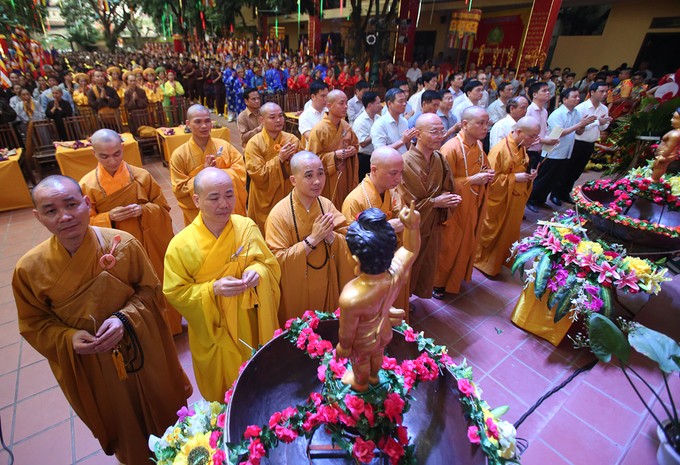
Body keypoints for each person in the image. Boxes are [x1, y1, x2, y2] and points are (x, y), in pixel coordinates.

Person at [13, 176, 191, 465]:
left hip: (144, 348)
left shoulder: (123, 244)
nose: (65, 216)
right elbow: (34, 323)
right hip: (95, 364)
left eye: (71, 204)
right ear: (38, 217)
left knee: (167, 413)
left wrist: (124, 319)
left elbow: (151, 291)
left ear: (86, 204)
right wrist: (68, 337)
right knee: (123, 423)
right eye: (51, 210)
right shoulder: (29, 269)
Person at [164, 168, 280, 401]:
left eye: (229, 195)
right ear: (196, 200)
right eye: (214, 198)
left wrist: (256, 272)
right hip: (213, 330)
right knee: (223, 394)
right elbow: (175, 292)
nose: (224, 204)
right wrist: (212, 289)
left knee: (256, 382)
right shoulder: (180, 245)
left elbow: (268, 264)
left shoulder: (246, 227)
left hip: (250, 321)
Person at [79, 128, 182, 335]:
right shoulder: (87, 185)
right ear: (94, 154)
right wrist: (108, 217)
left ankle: (169, 327)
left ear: (122, 148)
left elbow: (163, 208)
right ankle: (136, 332)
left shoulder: (141, 176)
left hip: (147, 241)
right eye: (104, 156)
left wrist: (143, 209)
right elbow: (84, 224)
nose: (112, 161)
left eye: (117, 154)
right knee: (125, 290)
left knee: (156, 281)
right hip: (115, 251)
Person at [336, 204, 420, 392]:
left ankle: (361, 382)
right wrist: (412, 227)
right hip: (384, 331)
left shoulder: (352, 296)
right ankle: (375, 376)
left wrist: (343, 347)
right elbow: (410, 249)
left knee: (361, 360)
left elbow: (347, 332)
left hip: (362, 340)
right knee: (378, 353)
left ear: (356, 261)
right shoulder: (394, 274)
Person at [265, 151, 353, 326]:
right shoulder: (279, 214)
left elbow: (347, 240)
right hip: (295, 289)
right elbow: (276, 260)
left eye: (320, 173)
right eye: (309, 175)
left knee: (325, 333)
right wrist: (313, 239)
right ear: (293, 180)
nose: (317, 181)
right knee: (299, 337)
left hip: (326, 282)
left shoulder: (326, 204)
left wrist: (330, 237)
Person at [342, 146, 410, 314]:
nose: (398, 179)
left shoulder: (392, 192)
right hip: (368, 272)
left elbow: (402, 214)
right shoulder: (355, 201)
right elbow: (351, 242)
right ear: (374, 170)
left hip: (390, 261)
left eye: (401, 173)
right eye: (393, 173)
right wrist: (386, 227)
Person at [397, 113, 458, 300]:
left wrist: (445, 200)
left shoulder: (440, 159)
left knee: (427, 264)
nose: (440, 136)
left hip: (433, 224)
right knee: (409, 267)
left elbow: (448, 188)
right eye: (434, 132)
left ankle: (411, 298)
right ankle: (400, 304)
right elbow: (406, 202)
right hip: (414, 228)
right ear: (417, 134)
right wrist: (434, 202)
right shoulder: (405, 162)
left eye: (441, 131)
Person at [433, 106, 493, 298]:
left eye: (487, 123)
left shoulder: (478, 146)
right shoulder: (451, 148)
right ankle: (438, 283)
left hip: (472, 203)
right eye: (480, 123)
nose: (485, 128)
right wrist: (471, 181)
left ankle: (456, 277)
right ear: (465, 124)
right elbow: (440, 184)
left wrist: (487, 174)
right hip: (454, 208)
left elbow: (483, 167)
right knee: (447, 246)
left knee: (466, 242)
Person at [474, 117, 540, 276]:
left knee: (509, 233)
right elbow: (489, 179)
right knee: (493, 232)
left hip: (515, 199)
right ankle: (484, 264)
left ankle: (502, 260)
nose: (534, 140)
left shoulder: (521, 146)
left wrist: (530, 175)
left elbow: (520, 167)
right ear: (518, 132)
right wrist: (514, 178)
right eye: (531, 136)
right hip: (500, 201)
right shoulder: (500, 149)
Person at [170, 104, 247, 225]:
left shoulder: (224, 145)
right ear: (188, 124)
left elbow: (240, 172)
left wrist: (218, 174)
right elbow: (179, 190)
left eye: (207, 121)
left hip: (228, 208)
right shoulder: (179, 155)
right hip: (199, 215)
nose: (204, 126)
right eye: (198, 122)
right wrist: (204, 176)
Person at [527, 88, 596, 212]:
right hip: (553, 151)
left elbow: (579, 131)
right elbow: (559, 132)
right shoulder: (558, 113)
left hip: (566, 151)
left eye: (578, 97)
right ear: (564, 99)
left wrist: (583, 125)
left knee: (554, 179)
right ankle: (531, 200)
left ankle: (541, 200)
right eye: (574, 97)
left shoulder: (576, 113)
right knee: (543, 178)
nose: (577, 99)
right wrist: (578, 125)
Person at [245, 102, 300, 232]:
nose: (278, 120)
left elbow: (300, 169)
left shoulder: (292, 139)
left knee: (288, 229)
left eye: (281, 116)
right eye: (272, 117)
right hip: (263, 196)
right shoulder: (254, 144)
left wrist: (292, 159)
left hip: (287, 194)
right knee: (264, 232)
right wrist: (279, 159)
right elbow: (257, 174)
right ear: (261, 120)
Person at [306, 89, 360, 210]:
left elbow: (356, 145)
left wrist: (352, 150)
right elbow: (311, 159)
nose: (345, 106)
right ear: (329, 106)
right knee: (327, 209)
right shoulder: (319, 130)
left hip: (345, 174)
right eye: (341, 103)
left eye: (346, 103)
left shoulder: (345, 125)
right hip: (327, 179)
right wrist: (334, 155)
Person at [560, 82, 612, 202]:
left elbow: (603, 128)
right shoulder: (581, 108)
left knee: (577, 171)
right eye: (601, 91)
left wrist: (604, 123)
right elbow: (578, 128)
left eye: (606, 91)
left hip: (590, 143)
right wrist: (598, 122)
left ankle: (566, 192)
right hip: (577, 142)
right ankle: (557, 193)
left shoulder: (603, 108)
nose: (604, 94)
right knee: (567, 169)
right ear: (592, 92)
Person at [371, 88, 417, 155]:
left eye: (405, 101)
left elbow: (407, 146)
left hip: (404, 161)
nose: (404, 104)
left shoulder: (404, 121)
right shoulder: (380, 124)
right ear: (389, 104)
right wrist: (402, 141)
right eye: (400, 101)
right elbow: (379, 152)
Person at [524, 81, 558, 170]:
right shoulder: (529, 110)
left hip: (539, 150)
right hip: (528, 150)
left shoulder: (544, 111)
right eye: (544, 91)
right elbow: (526, 132)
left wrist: (550, 140)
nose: (547, 93)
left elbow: (544, 131)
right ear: (535, 95)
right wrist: (545, 141)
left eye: (548, 90)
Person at [352, 91, 382, 180]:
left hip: (376, 156)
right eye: (378, 103)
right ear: (370, 105)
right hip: (364, 157)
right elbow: (363, 143)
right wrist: (376, 134)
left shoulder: (379, 118)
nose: (381, 105)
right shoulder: (360, 121)